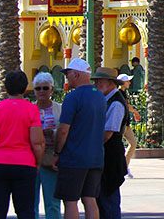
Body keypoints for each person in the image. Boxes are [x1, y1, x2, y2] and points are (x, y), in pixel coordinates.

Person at [53, 58, 106, 219]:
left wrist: (57, 152)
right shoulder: (100, 97)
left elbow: (63, 130)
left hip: (74, 158)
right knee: (90, 199)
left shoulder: (72, 98)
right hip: (96, 157)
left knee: (70, 200)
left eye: (68, 74)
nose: (66, 77)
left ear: (76, 74)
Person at [0, 70, 45, 219]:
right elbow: (37, 142)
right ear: (25, 87)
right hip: (25, 163)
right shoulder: (31, 109)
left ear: (6, 87)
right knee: (25, 211)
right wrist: (38, 162)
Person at [91, 68, 128, 219]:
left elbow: (108, 134)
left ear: (110, 83)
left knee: (108, 200)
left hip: (111, 157)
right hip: (106, 156)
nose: (97, 84)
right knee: (103, 199)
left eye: (100, 81)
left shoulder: (116, 103)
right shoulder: (108, 100)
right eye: (96, 81)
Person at [33, 72, 62, 219]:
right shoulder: (30, 109)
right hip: (32, 158)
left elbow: (65, 131)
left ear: (51, 89)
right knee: (31, 202)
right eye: (38, 89)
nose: (42, 91)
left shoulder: (60, 109)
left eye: (45, 88)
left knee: (53, 202)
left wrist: (54, 132)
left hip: (51, 158)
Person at [116, 74, 139, 177]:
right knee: (119, 146)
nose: (129, 82)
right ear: (122, 83)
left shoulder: (124, 93)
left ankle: (124, 167)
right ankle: (121, 168)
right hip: (121, 124)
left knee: (133, 143)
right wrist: (135, 112)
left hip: (126, 124)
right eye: (128, 81)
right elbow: (126, 106)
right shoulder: (119, 93)